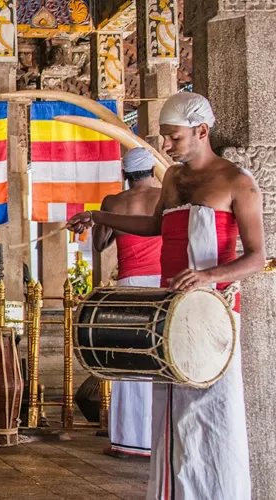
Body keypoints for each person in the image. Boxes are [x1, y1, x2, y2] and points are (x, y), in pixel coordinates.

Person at [66, 92, 264, 500]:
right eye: (164, 138)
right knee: (171, 409)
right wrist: (98, 215)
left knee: (211, 410)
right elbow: (157, 226)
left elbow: (257, 258)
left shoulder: (238, 182)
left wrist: (210, 276)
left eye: (173, 137)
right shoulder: (172, 178)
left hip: (213, 312)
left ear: (202, 131)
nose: (167, 147)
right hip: (170, 307)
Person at [92, 147, 162, 460]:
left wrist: (112, 222)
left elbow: (99, 243)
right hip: (162, 285)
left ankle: (127, 440)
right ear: (152, 172)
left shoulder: (113, 202)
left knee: (127, 361)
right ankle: (158, 438)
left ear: (125, 174)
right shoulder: (165, 197)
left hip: (129, 285)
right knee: (159, 360)